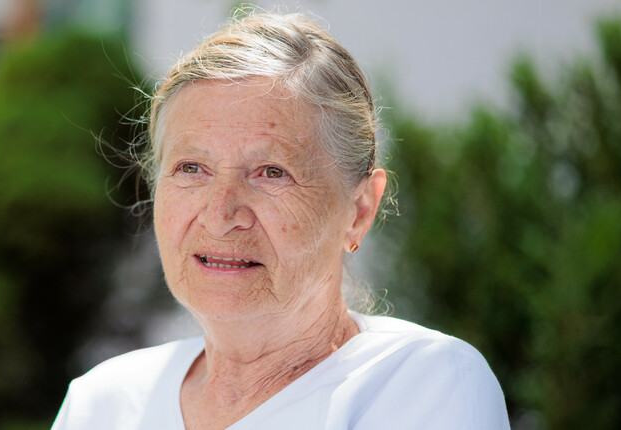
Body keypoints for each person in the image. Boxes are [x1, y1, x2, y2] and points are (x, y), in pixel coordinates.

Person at [51, 11, 510, 430]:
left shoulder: (424, 384)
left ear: (360, 211)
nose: (220, 215)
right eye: (192, 169)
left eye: (272, 172)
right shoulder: (102, 403)